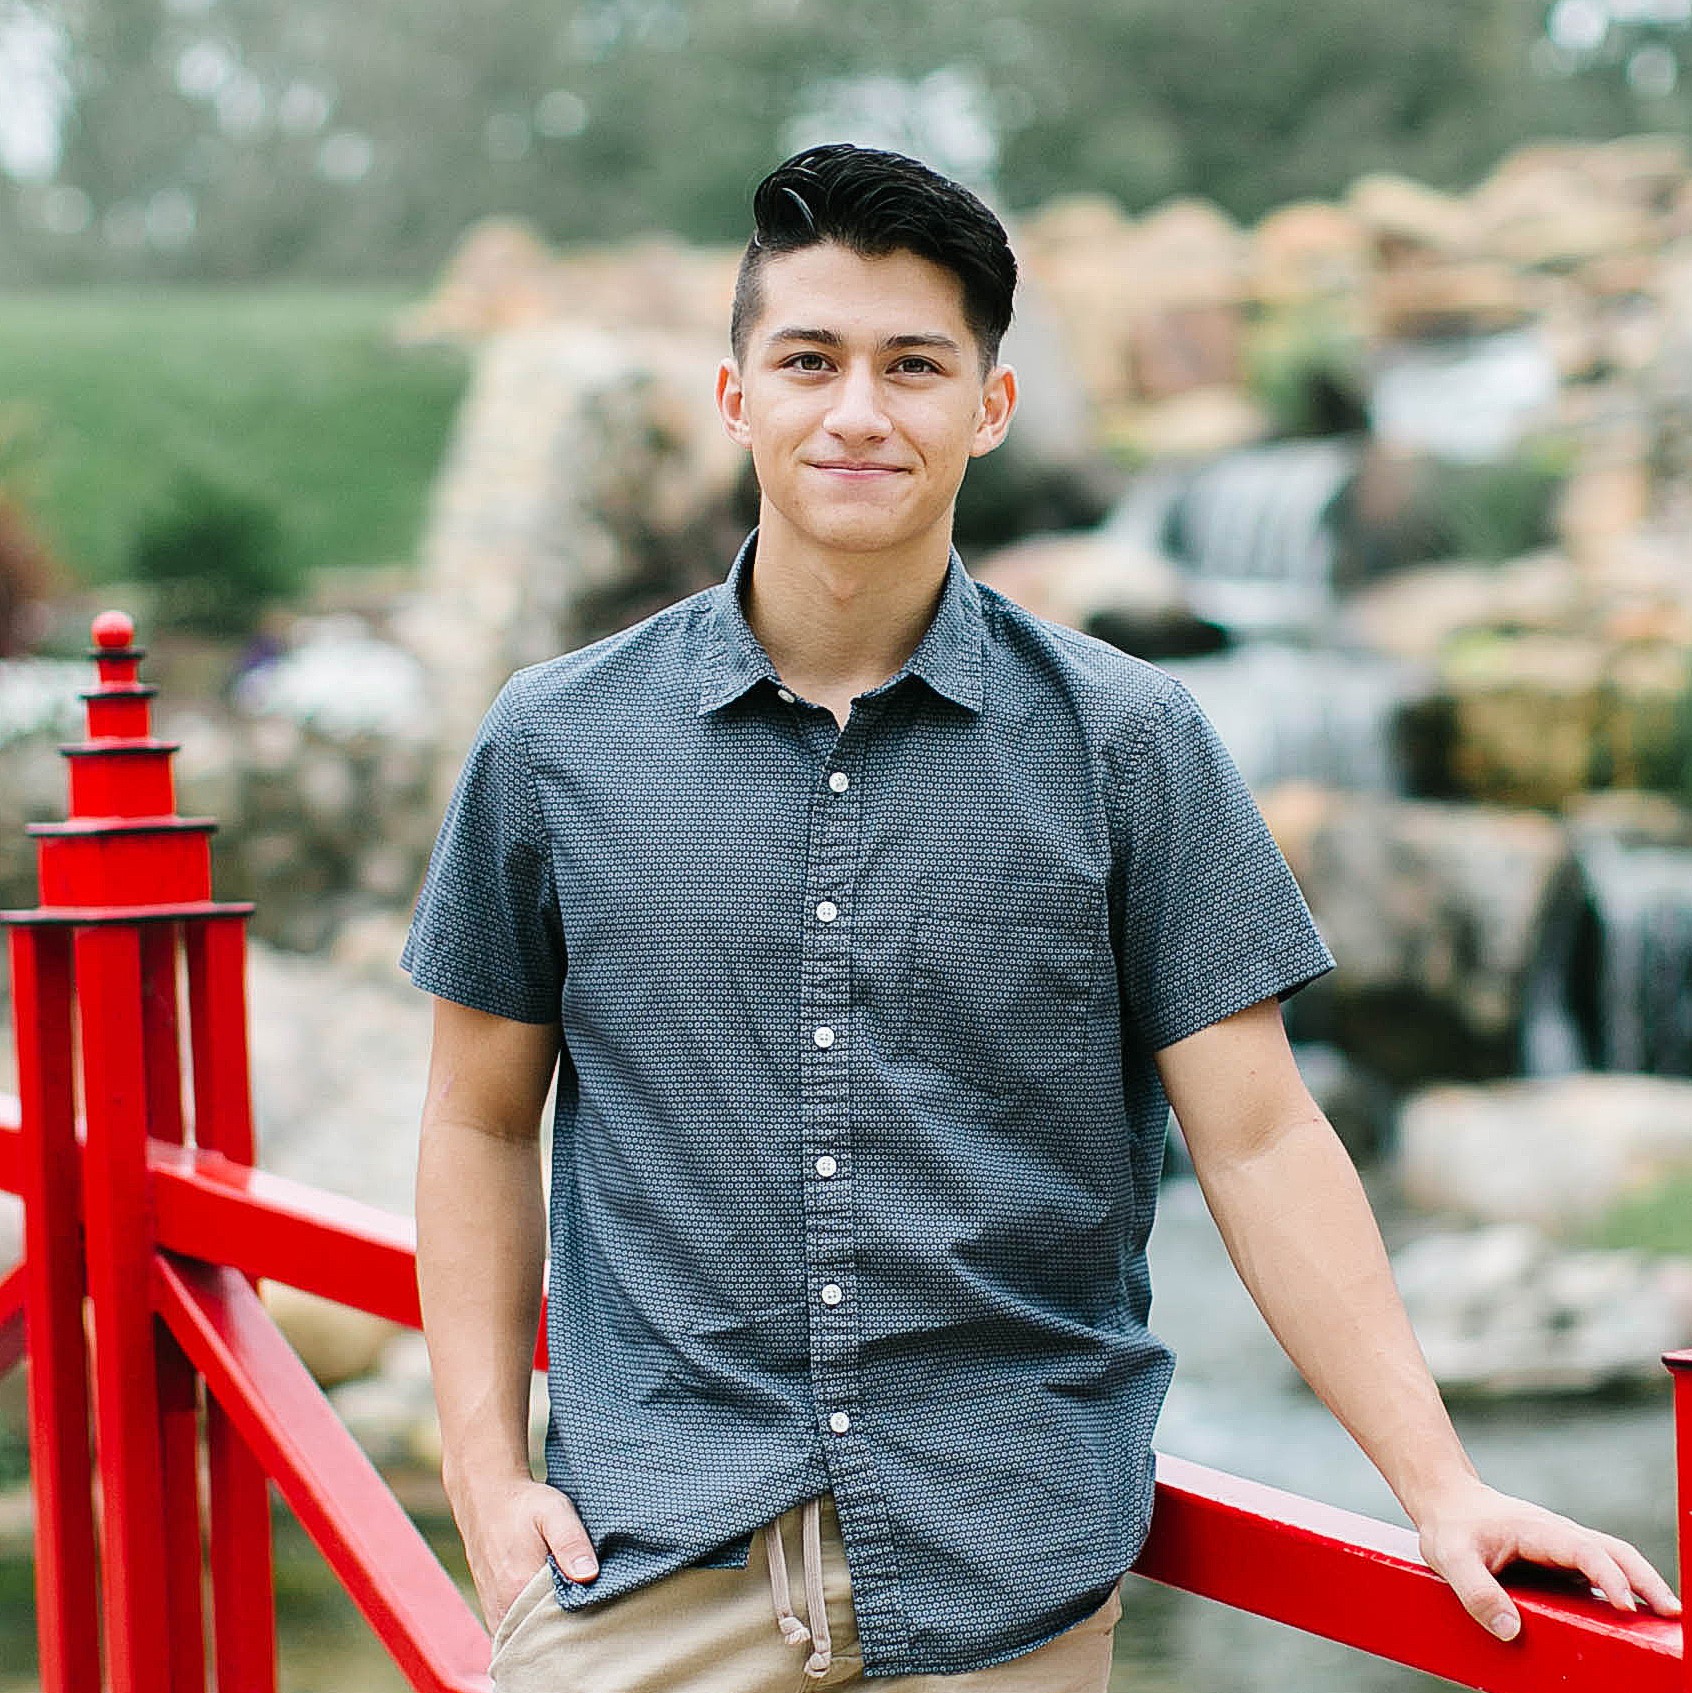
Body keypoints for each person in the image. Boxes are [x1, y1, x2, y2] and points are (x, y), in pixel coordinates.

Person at [402, 144, 1680, 1693]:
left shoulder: (1131, 742)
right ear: (737, 396)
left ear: (990, 409)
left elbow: (1264, 1133)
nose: (858, 410)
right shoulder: (551, 743)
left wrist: (1440, 1483)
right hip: (647, 1578)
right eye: (810, 359)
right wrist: (480, 1468)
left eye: (913, 365)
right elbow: (478, 1120)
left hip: (1006, 1587)